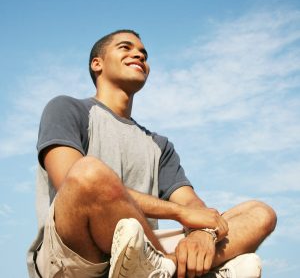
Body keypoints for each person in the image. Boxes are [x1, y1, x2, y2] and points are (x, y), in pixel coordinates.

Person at [27, 29, 277, 278]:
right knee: (88, 172)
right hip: (75, 255)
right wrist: (178, 213)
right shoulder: (67, 108)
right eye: (125, 48)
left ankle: (168, 267)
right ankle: (186, 270)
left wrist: (203, 234)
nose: (139, 55)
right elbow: (70, 181)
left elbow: (191, 204)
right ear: (97, 63)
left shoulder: (159, 145)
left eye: (144, 54)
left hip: (144, 250)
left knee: (260, 212)